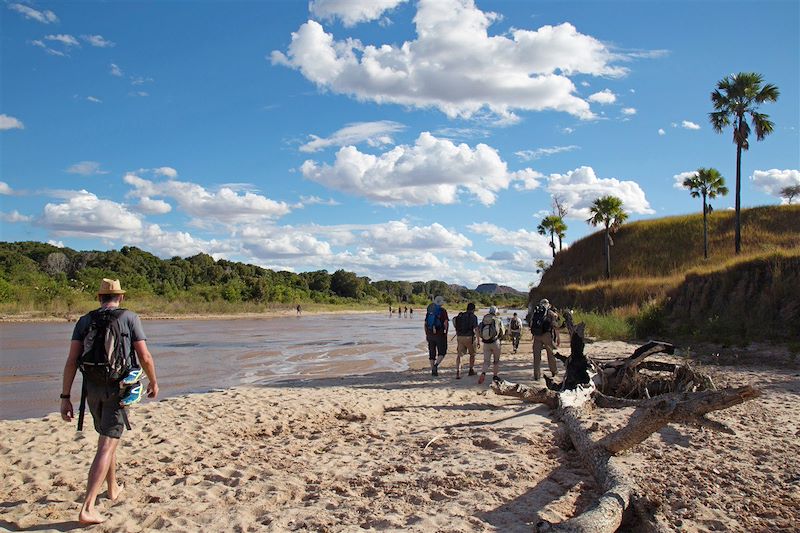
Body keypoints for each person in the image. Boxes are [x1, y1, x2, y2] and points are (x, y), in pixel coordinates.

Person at [60, 279, 158, 525]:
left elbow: (72, 360)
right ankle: (87, 507)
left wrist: (65, 397)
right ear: (120, 298)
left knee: (106, 438)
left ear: (99, 297)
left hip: (90, 389)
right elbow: (144, 355)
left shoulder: (84, 321)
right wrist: (154, 382)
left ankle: (112, 488)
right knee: (106, 445)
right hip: (118, 389)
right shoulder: (130, 318)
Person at [530, 298, 560, 381]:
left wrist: (533, 335)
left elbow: (532, 324)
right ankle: (554, 371)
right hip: (547, 335)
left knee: (536, 356)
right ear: (548, 304)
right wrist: (557, 338)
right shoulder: (550, 313)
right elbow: (555, 325)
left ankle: (537, 375)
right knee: (550, 354)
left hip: (537, 336)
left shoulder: (536, 312)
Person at [452, 302, 480, 379]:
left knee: (459, 355)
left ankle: (458, 371)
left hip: (460, 337)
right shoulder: (474, 317)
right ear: (473, 309)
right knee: (472, 354)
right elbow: (476, 329)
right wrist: (478, 341)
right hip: (469, 338)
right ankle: (471, 370)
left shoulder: (461, 315)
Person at [478, 306, 505, 384]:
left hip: (486, 343)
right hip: (495, 342)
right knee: (496, 361)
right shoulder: (498, 320)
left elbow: (479, 330)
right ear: (496, 311)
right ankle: (495, 376)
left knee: (486, 361)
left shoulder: (484, 320)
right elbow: (502, 332)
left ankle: (483, 373)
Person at [423, 295, 449, 376]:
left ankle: (432, 369)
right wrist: (446, 332)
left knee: (432, 352)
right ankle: (436, 365)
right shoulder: (443, 311)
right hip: (440, 334)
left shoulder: (429, 311)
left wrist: (426, 334)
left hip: (430, 334)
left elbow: (425, 324)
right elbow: (446, 323)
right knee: (442, 352)